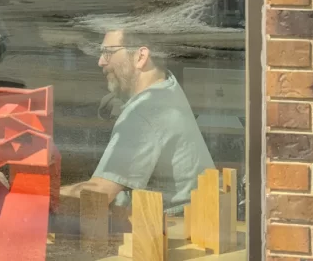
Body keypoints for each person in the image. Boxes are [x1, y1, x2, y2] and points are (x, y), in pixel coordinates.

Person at [62, 28, 214, 213]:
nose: (100, 61)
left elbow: (97, 196)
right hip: (186, 219)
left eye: (108, 53)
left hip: (172, 230)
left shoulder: (145, 112)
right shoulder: (165, 87)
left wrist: (32, 198)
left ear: (141, 56)